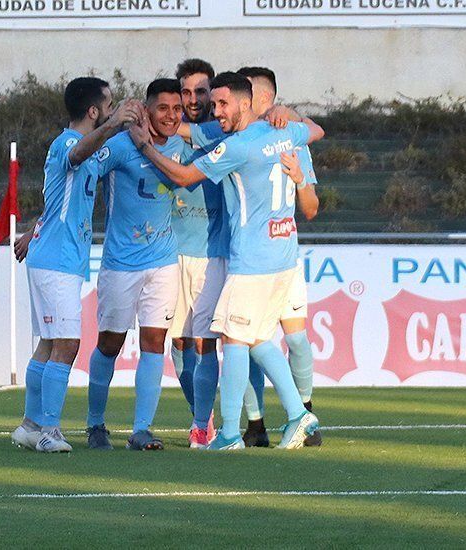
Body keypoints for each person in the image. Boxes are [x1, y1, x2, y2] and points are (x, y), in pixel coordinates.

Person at [129, 71, 325, 450]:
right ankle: (300, 415)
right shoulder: (283, 133)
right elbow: (315, 130)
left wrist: (146, 148)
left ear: (245, 103)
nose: (215, 111)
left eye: (222, 104)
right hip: (283, 257)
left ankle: (231, 434)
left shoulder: (237, 146)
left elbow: (186, 176)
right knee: (258, 340)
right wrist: (289, 113)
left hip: (252, 260)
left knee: (235, 341)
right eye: (214, 103)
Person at [10, 77, 141, 453]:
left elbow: (59, 200)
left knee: (50, 343)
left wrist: (33, 227)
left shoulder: (90, 148)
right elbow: (80, 154)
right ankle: (49, 429)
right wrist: (115, 124)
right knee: (67, 343)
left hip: (54, 255)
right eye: (109, 105)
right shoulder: (68, 143)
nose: (113, 111)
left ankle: (31, 425)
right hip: (56, 261)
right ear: (94, 111)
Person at [84, 78, 187, 451]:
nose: (171, 116)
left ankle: (142, 429)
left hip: (163, 263)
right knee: (110, 344)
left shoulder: (181, 147)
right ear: (146, 110)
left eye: (177, 109)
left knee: (154, 343)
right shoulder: (121, 147)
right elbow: (82, 170)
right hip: (121, 264)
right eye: (163, 108)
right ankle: (95, 424)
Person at [236, 66, 322, 448]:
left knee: (297, 340)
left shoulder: (291, 139)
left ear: (267, 100)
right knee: (247, 341)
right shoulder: (238, 141)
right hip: (246, 257)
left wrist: (301, 179)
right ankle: (255, 424)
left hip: (284, 259)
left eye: (247, 95)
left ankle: (305, 414)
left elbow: (312, 209)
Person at [167, 58, 228, 448]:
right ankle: (201, 417)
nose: (192, 99)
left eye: (200, 91)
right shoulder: (169, 139)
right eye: (185, 92)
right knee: (177, 344)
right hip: (170, 255)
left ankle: (201, 425)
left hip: (209, 254)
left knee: (205, 342)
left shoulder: (222, 135)